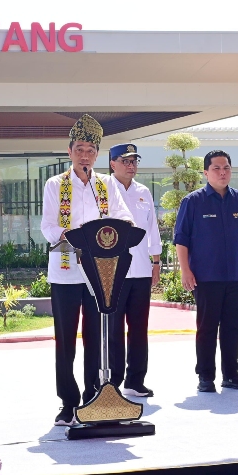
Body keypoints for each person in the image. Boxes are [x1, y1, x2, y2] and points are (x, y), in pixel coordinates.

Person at [41, 115, 133, 426]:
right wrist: (72, 235)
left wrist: (121, 229)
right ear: (69, 152)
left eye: (91, 150)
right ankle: (68, 402)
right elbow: (48, 226)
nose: (85, 156)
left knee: (98, 337)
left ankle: (95, 396)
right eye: (80, 149)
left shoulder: (107, 184)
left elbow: (124, 218)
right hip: (66, 273)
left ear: (97, 155)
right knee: (65, 340)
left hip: (101, 275)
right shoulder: (56, 184)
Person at [174, 150, 238, 393]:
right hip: (206, 276)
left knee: (233, 326)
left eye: (227, 168)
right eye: (217, 168)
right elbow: (181, 240)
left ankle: (231, 374)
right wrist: (185, 271)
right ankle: (206, 377)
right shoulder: (193, 201)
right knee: (207, 327)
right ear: (206, 172)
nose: (223, 173)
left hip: (235, 275)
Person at [107, 143, 162, 398]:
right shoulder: (103, 190)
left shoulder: (143, 191)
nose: (131, 166)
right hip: (113, 270)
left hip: (140, 269)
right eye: (125, 161)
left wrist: (156, 262)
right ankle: (114, 381)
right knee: (114, 329)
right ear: (112, 164)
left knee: (139, 327)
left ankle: (136, 380)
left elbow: (152, 229)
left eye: (134, 161)